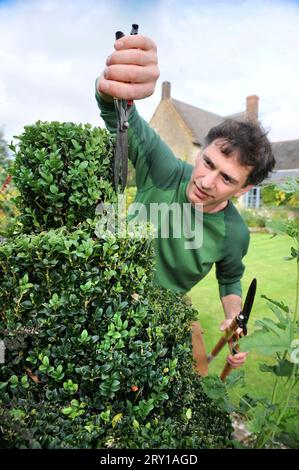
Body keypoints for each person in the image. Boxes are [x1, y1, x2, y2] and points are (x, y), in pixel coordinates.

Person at [95, 34, 275, 375]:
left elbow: (230, 278)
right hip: (112, 295)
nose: (207, 182)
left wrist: (233, 318)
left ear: (242, 190)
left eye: (226, 179)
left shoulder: (234, 233)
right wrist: (115, 84)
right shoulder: (163, 170)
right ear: (200, 151)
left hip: (169, 310)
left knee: (197, 386)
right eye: (207, 163)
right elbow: (118, 114)